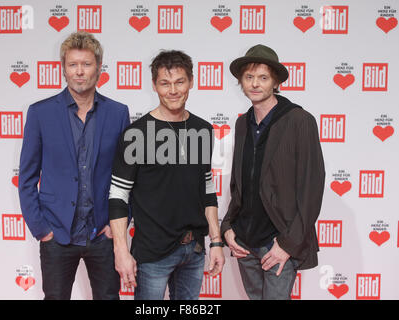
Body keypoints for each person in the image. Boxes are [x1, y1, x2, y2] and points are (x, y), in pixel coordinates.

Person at [18, 31, 130, 300]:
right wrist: (42, 230)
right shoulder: (40, 113)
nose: (80, 72)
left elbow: (128, 176)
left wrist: (118, 226)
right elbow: (27, 178)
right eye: (73, 65)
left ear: (99, 68)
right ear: (63, 69)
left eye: (87, 64)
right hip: (57, 235)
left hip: (103, 235)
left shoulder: (118, 113)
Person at [108, 50, 225, 300]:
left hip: (193, 250)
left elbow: (206, 189)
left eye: (180, 82)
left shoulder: (202, 129)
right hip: (152, 253)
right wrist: (120, 250)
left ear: (191, 82)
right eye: (165, 83)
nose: (173, 90)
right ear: (155, 85)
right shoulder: (136, 135)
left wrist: (215, 241)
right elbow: (118, 196)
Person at [221, 44, 325, 300]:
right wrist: (228, 227)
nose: (255, 84)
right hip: (245, 240)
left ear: (276, 81)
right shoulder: (242, 122)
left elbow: (311, 189)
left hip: (278, 241)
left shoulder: (299, 120)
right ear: (241, 82)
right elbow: (240, 181)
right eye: (249, 77)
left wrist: (287, 244)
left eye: (263, 77)